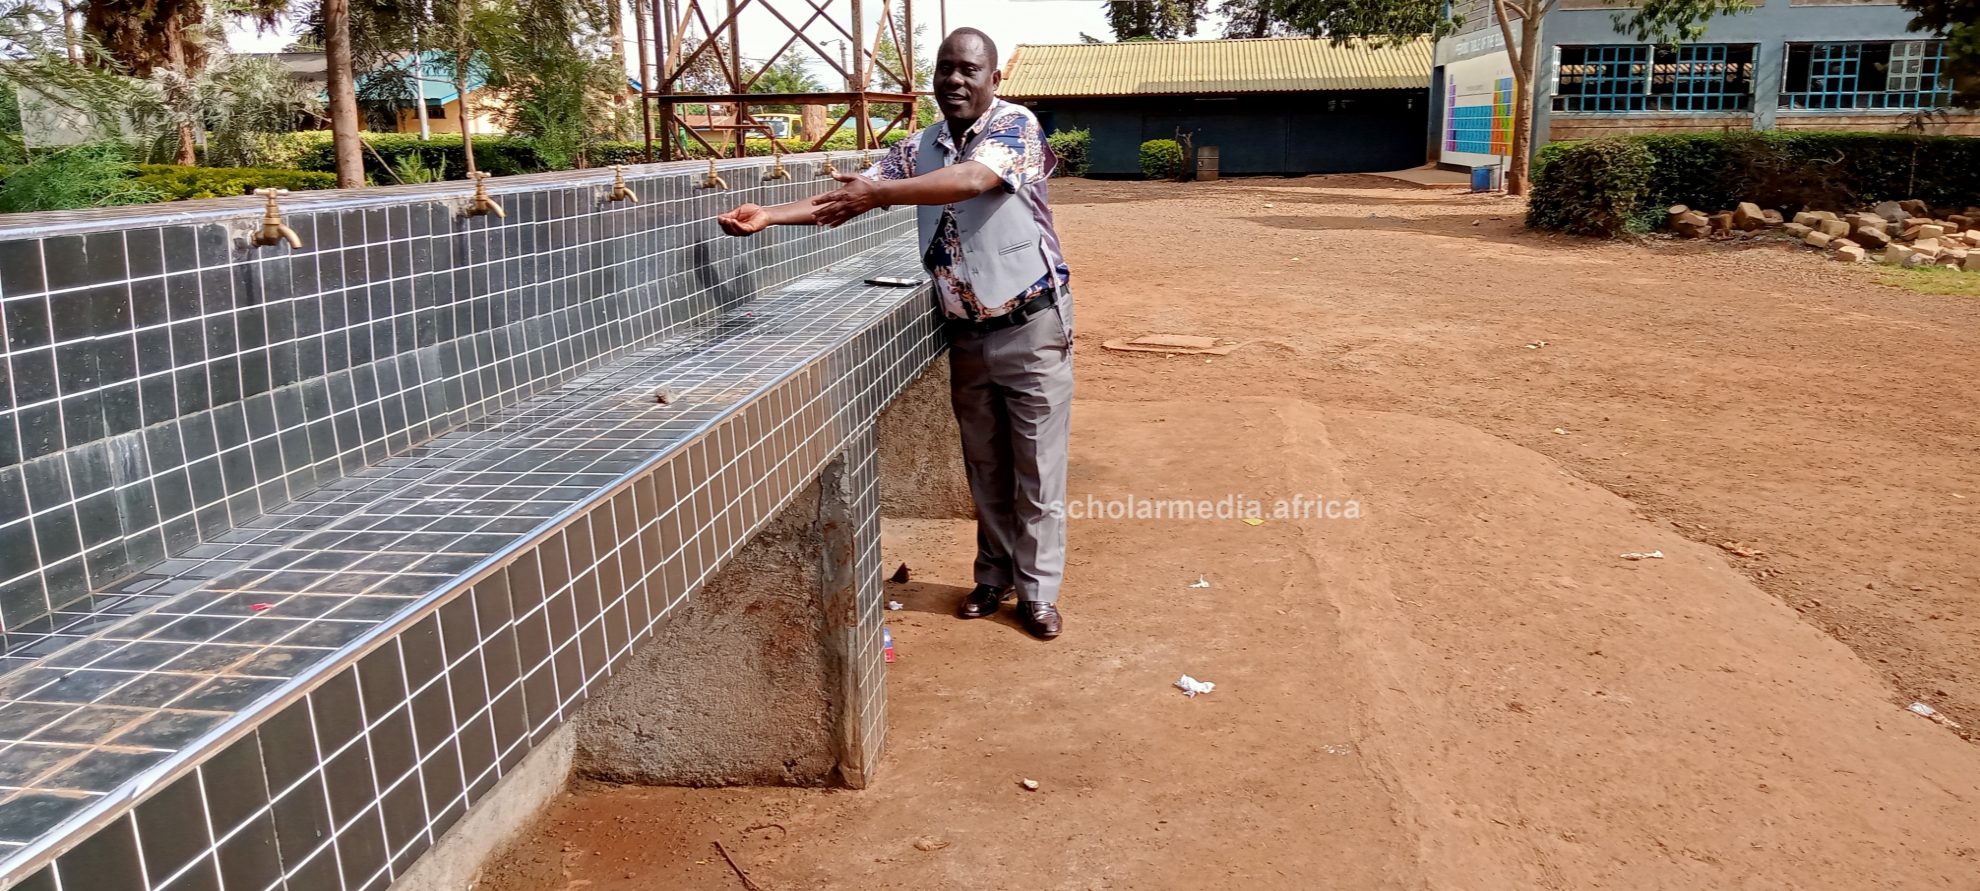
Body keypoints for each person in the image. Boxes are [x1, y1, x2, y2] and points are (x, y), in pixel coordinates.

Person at [716, 27, 1073, 641]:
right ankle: (993, 578)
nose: (955, 80)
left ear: (993, 78)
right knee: (985, 466)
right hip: (965, 333)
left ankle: (1038, 593)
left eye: (968, 70)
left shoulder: (1016, 128)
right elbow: (858, 192)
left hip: (1030, 325)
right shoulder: (924, 145)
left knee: (1036, 470)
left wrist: (879, 195)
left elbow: (970, 182)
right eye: (944, 69)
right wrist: (773, 214)